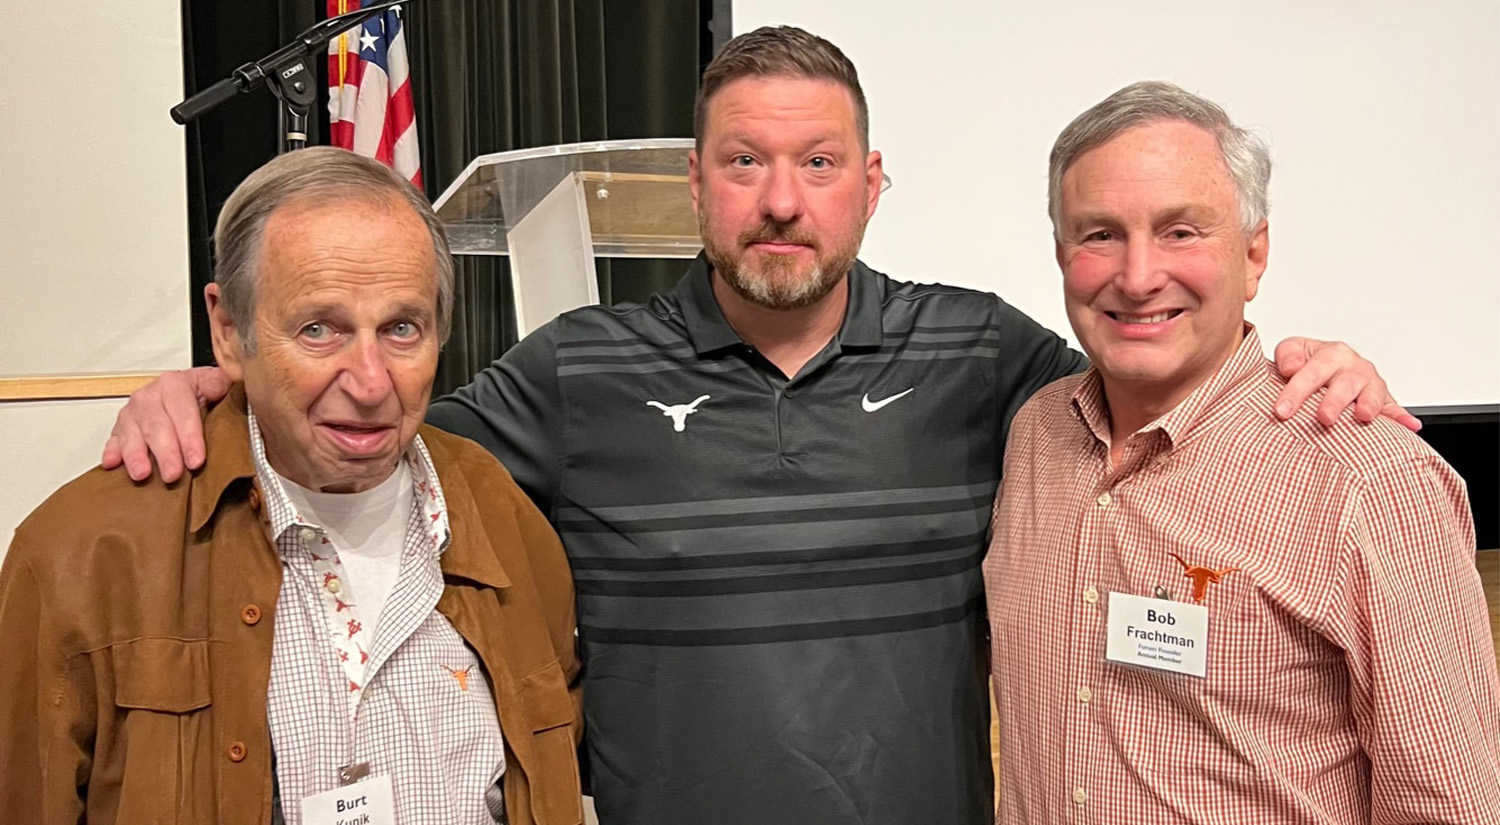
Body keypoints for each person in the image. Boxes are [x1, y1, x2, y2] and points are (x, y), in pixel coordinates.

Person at [97, 28, 1411, 825]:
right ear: (695, 184)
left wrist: (1305, 362)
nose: (782, 201)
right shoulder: (576, 373)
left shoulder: (986, 355)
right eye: (743, 162)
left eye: (821, 163)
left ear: (873, 183)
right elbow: (362, 447)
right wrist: (211, 395)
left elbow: (1159, 385)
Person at [0, 147, 584, 825]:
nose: (369, 383)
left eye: (401, 328)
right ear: (228, 331)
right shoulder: (82, 554)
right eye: (319, 329)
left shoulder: (503, 515)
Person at [985, 81, 1500, 823]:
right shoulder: (1034, 435)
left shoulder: (1372, 484)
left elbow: (1450, 807)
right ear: (1062, 252)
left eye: (1181, 231)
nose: (1137, 276)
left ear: (1254, 254)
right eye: (1100, 234)